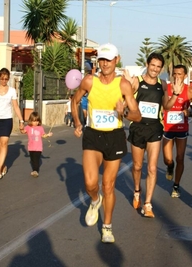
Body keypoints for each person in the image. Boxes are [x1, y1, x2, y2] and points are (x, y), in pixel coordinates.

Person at [71, 43, 141, 243]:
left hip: (115, 137)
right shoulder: (89, 81)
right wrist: (77, 122)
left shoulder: (123, 85)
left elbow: (137, 116)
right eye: (102, 59)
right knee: (91, 183)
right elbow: (74, 101)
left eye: (109, 59)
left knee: (108, 185)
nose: (105, 63)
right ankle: (95, 200)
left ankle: (107, 226)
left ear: (116, 60)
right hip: (93, 135)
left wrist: (124, 112)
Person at [123, 52, 170, 218]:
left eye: (158, 67)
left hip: (155, 129)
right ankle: (137, 190)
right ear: (147, 64)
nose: (155, 69)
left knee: (151, 167)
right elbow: (125, 102)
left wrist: (175, 95)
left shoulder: (162, 84)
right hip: (137, 128)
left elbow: (166, 106)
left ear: (161, 68)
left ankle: (148, 204)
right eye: (153, 65)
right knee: (137, 166)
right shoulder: (137, 81)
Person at [162, 64, 192, 198]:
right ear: (172, 75)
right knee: (168, 159)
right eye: (175, 74)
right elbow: (164, 106)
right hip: (167, 128)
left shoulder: (190, 91)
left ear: (185, 76)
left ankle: (176, 185)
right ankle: (170, 166)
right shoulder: (166, 89)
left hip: (181, 128)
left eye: (180, 74)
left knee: (180, 157)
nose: (177, 77)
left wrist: (189, 113)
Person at [21, 111, 53, 177]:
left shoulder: (40, 128)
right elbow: (23, 131)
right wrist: (21, 128)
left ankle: (35, 171)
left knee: (36, 159)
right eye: (34, 121)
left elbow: (43, 135)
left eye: (37, 121)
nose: (35, 123)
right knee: (32, 159)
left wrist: (48, 135)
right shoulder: (28, 127)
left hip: (38, 148)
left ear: (39, 121)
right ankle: (34, 169)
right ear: (30, 121)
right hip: (30, 147)